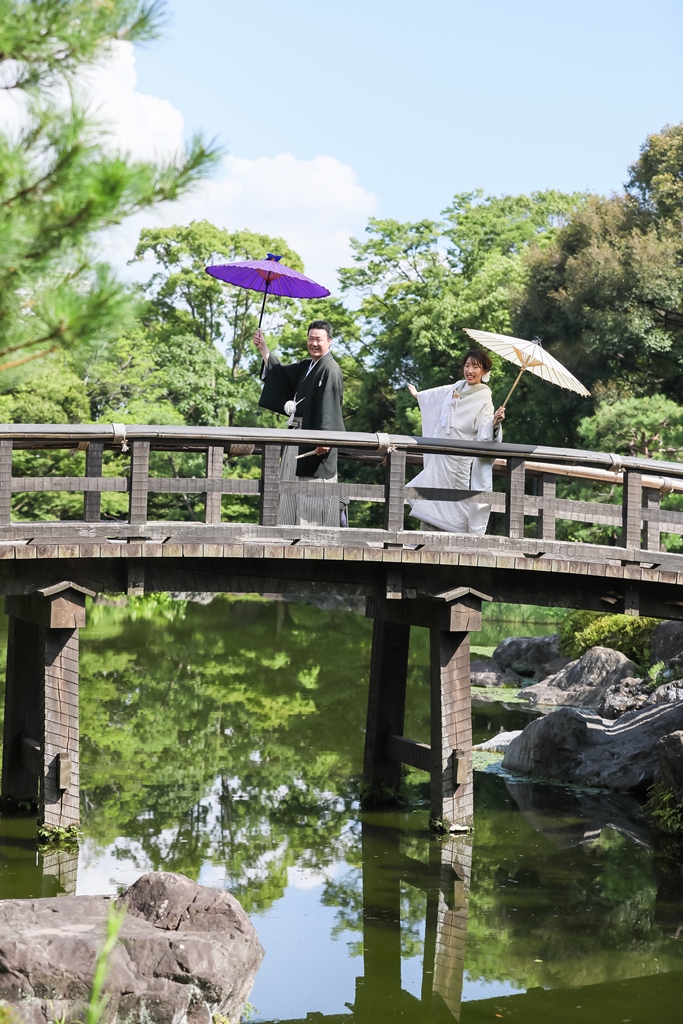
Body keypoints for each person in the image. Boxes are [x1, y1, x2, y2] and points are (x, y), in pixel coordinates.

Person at [254, 319, 345, 526]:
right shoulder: (307, 366)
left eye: (319, 339)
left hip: (315, 440)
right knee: (288, 492)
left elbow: (330, 407)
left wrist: (326, 439)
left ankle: (309, 539)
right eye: (311, 339)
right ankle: (287, 534)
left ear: (329, 341)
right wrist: (263, 348)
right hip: (295, 437)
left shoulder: (330, 369)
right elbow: (281, 376)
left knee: (311, 497)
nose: (314, 343)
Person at [407, 350, 505, 534]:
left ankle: (457, 535)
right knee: (427, 493)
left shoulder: (484, 398)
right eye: (467, 365)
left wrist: (494, 422)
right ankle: (425, 538)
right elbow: (438, 394)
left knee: (452, 502)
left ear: (484, 371)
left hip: (458, 459)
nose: (470, 370)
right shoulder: (458, 386)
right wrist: (419, 395)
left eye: (475, 367)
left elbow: (485, 430)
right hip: (440, 455)